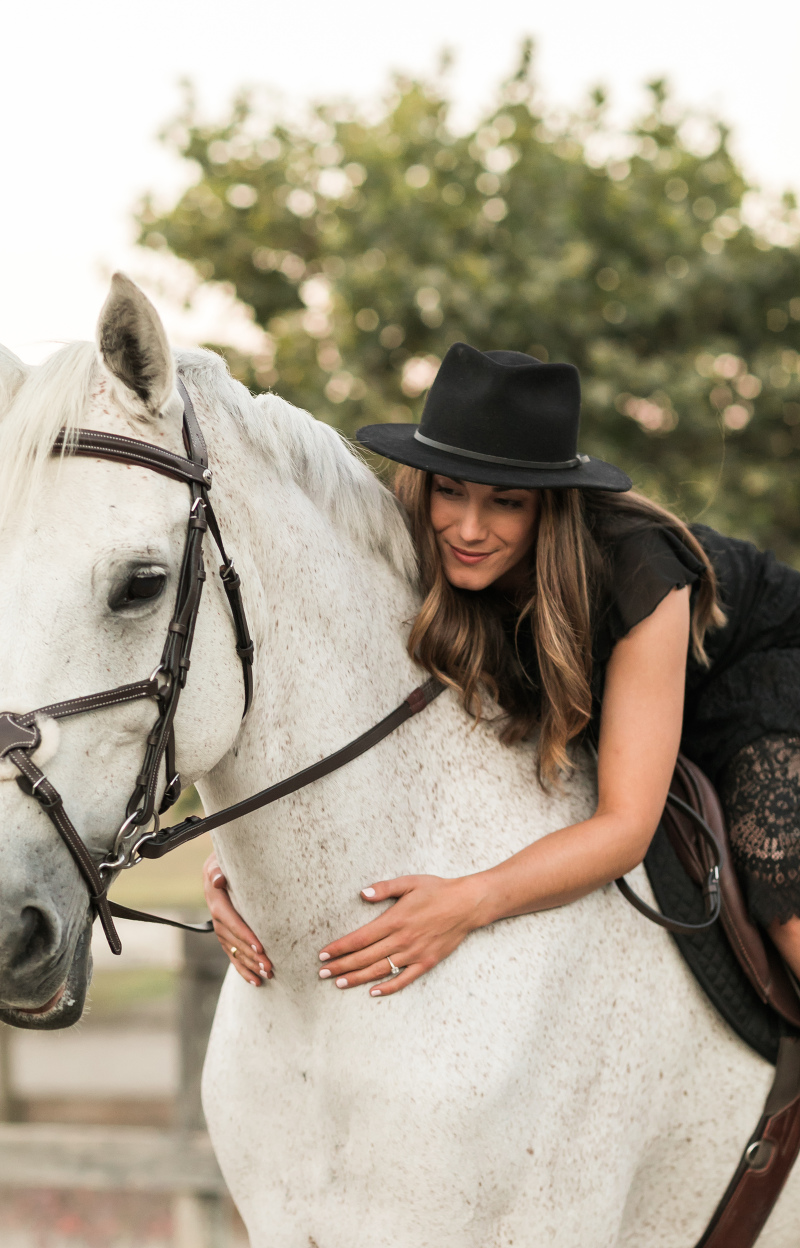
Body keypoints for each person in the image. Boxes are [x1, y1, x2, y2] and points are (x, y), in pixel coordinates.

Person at [204, 342, 800, 997]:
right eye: (450, 491)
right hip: (643, 701)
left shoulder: (639, 566)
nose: (468, 526)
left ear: (548, 503)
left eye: (505, 502)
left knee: (779, 880)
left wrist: (470, 902)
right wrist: (230, 864)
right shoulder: (414, 543)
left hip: (762, 673)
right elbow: (347, 721)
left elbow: (627, 828)